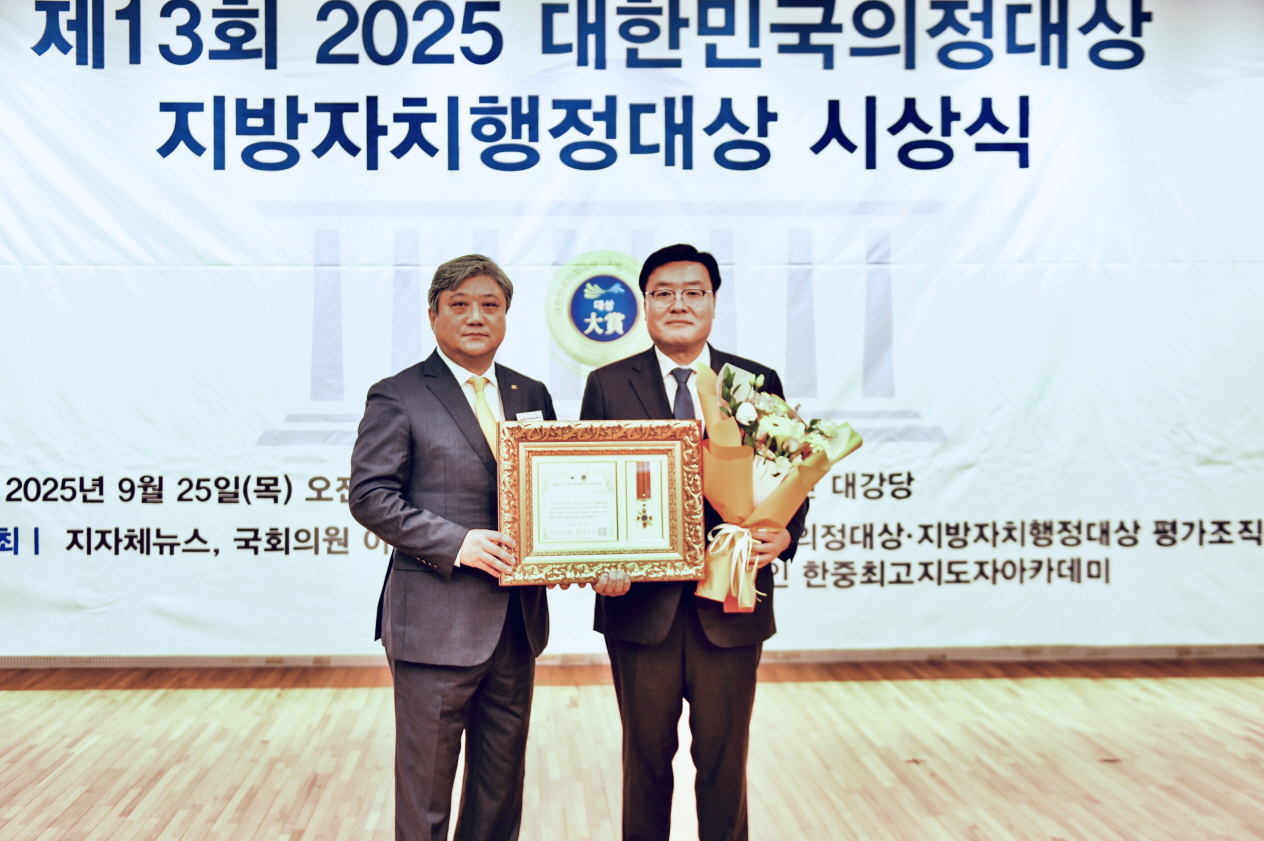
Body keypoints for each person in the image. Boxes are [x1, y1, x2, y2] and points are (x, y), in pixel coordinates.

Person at [580, 243, 808, 841]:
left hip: (729, 607)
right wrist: (598, 560)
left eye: (693, 292)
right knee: (644, 767)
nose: (678, 304)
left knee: (725, 767)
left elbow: (787, 474)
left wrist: (785, 534)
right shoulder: (607, 384)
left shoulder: (754, 381)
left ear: (712, 303)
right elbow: (591, 485)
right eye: (663, 293)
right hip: (640, 609)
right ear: (644, 304)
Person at [349, 254, 555, 841]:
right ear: (433, 314)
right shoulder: (398, 395)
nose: (476, 317)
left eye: (490, 305)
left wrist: (569, 550)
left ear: (506, 316)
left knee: (499, 791)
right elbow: (370, 496)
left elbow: (554, 490)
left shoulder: (530, 392)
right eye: (459, 304)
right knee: (427, 797)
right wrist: (457, 542)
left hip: (516, 622)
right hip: (434, 624)